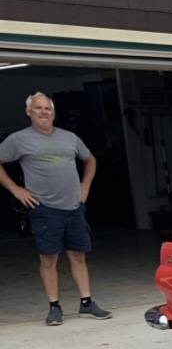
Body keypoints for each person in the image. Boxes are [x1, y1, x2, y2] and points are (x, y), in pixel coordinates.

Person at [0, 92, 109, 325]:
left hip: (74, 207)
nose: (43, 112)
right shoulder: (18, 140)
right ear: (28, 111)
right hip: (45, 208)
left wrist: (85, 186)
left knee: (78, 255)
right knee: (49, 259)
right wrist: (16, 190)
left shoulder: (69, 138)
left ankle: (87, 303)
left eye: (47, 108)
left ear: (53, 112)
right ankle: (54, 307)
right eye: (38, 108)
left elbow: (90, 160)